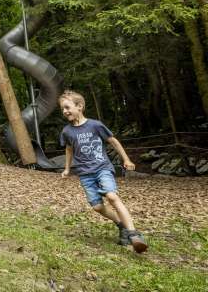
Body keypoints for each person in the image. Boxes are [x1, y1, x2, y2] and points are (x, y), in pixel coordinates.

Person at [58, 90, 148, 253]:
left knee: (112, 196)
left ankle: (134, 234)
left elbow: (113, 141)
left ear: (80, 106)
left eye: (67, 107)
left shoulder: (95, 125)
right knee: (98, 207)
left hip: (102, 168)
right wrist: (67, 168)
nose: (64, 111)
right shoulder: (67, 131)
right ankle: (121, 225)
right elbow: (69, 149)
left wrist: (126, 159)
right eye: (62, 109)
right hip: (85, 174)